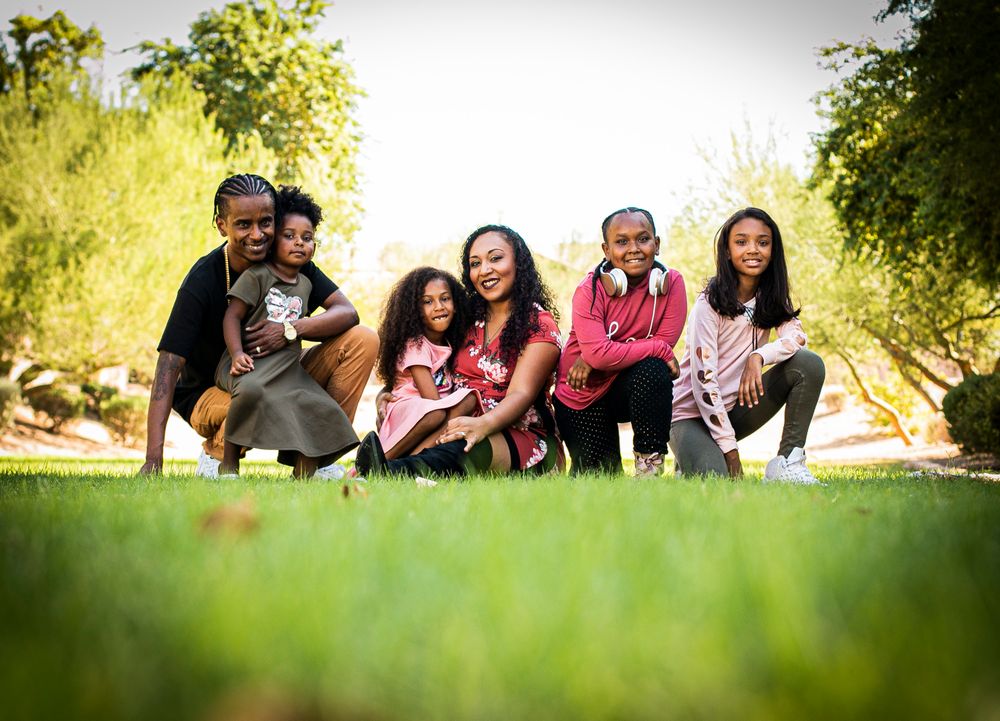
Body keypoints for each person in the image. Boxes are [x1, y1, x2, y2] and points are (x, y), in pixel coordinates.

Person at [140, 173, 378, 477]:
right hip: (214, 387)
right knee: (253, 400)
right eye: (243, 224)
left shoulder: (291, 260)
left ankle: (316, 459)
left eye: (265, 222)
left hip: (281, 371)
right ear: (221, 225)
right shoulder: (202, 280)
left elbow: (347, 312)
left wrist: (291, 329)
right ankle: (216, 458)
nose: (257, 234)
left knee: (363, 340)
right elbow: (169, 366)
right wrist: (153, 458)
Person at [357, 225, 564, 477]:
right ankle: (380, 469)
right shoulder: (465, 318)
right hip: (450, 422)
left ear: (518, 262)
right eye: (475, 263)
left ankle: (381, 473)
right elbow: (428, 363)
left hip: (519, 433)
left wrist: (482, 424)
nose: (484, 269)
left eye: (496, 258)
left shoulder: (538, 325)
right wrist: (386, 394)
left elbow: (521, 393)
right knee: (449, 441)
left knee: (461, 450)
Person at [669, 207, 825, 483]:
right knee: (715, 480)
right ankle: (692, 456)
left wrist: (760, 356)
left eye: (763, 242)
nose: (753, 249)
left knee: (808, 363)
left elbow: (797, 338)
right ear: (727, 251)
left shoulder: (771, 297)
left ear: (773, 251)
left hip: (734, 410)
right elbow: (704, 381)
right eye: (741, 242)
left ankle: (787, 464)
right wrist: (730, 451)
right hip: (690, 416)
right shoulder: (708, 304)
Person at [215, 185, 359, 477]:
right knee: (250, 390)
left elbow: (348, 314)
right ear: (274, 240)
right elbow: (232, 316)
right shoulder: (258, 275)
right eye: (289, 236)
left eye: (307, 238)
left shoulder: (306, 284)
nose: (298, 243)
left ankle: (304, 476)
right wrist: (237, 353)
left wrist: (293, 329)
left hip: (287, 369)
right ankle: (228, 464)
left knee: (317, 405)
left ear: (314, 247)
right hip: (248, 363)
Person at [553, 207, 687, 476]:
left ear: (656, 244)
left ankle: (648, 468)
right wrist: (598, 354)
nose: (634, 248)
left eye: (643, 239)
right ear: (606, 249)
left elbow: (605, 355)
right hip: (582, 392)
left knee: (653, 369)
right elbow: (606, 353)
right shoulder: (588, 290)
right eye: (622, 241)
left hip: (628, 386)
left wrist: (596, 355)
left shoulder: (671, 284)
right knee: (599, 478)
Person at [375, 266, 480, 459]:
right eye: (427, 301)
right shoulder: (416, 345)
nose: (439, 306)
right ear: (415, 310)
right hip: (410, 412)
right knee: (437, 413)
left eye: (445, 298)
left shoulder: (451, 344)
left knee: (469, 399)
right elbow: (432, 400)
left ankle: (412, 461)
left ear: (455, 304)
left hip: (433, 416)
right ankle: (380, 460)